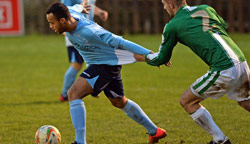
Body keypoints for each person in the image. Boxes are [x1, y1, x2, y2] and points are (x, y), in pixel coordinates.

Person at [46, 1, 166, 144]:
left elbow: (121, 42)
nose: (50, 26)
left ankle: (80, 142)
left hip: (103, 66)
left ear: (63, 20)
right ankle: (155, 131)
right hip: (104, 65)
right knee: (119, 101)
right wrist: (82, 7)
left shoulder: (90, 32)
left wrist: (150, 54)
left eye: (52, 23)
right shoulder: (70, 12)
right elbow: (75, 7)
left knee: (73, 93)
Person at [134, 0, 250, 144]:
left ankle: (220, 140)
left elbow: (161, 58)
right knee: (245, 101)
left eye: (164, 3)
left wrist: (140, 57)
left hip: (224, 67)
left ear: (171, 4)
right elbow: (222, 26)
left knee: (187, 101)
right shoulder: (206, 8)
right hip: (241, 61)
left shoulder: (172, 25)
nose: (163, 7)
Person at [60, 0, 108, 102]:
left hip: (88, 34)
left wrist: (99, 12)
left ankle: (94, 88)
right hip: (75, 35)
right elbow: (62, 12)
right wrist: (65, 30)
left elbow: (88, 6)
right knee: (77, 64)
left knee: (95, 61)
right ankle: (64, 94)